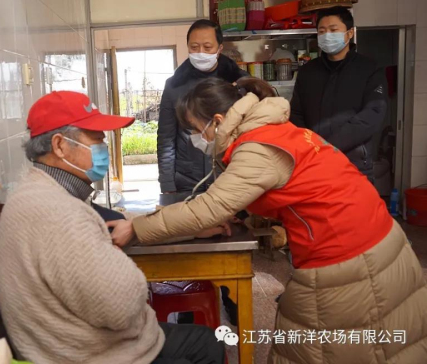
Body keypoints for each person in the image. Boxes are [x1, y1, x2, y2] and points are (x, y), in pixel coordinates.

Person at [109, 78, 427, 363]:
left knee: (318, 346)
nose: (195, 138)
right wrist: (244, 215)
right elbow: (289, 188)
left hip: (347, 254)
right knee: (377, 340)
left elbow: (208, 208)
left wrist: (136, 226)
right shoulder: (276, 130)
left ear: (217, 121)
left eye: (195, 129)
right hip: (375, 238)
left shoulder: (257, 147)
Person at [0, 91, 225, 364]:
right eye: (96, 139)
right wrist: (121, 264)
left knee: (207, 341)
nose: (104, 147)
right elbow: (122, 307)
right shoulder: (57, 213)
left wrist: (188, 229)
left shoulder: (43, 190)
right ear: (60, 145)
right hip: (90, 354)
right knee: (205, 346)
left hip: (83, 343)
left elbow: (117, 222)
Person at [290, 6, 387, 183]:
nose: (327, 35)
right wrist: (311, 145)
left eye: (333, 30)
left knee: (357, 201)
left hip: (354, 163)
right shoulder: (308, 72)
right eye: (322, 31)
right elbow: (296, 113)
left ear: (350, 33)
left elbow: (373, 113)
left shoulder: (369, 69)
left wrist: (329, 145)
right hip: (314, 161)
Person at [158, 19, 247, 195]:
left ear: (220, 48)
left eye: (207, 47)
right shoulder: (174, 85)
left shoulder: (239, 82)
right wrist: (167, 184)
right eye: (194, 47)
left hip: (230, 176)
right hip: (187, 179)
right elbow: (166, 138)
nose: (200, 53)